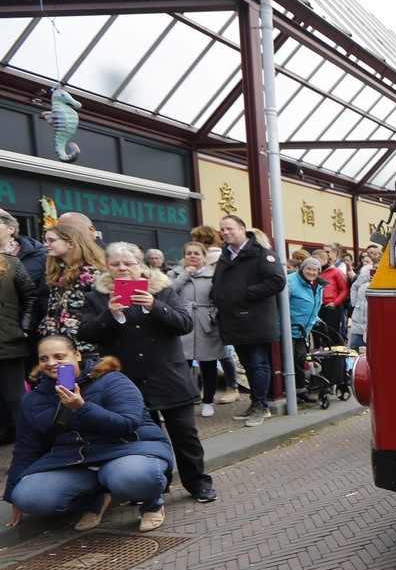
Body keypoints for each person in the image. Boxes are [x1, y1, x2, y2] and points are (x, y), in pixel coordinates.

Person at [81, 241, 217, 505]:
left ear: (140, 265)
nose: (122, 268)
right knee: (144, 438)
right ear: (107, 267)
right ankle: (155, 487)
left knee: (185, 435)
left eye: (128, 263)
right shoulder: (96, 297)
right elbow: (86, 334)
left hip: (169, 376)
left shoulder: (162, 289)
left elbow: (184, 324)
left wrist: (155, 306)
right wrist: (110, 315)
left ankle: (198, 483)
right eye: (115, 264)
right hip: (128, 381)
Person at [6, 334, 174, 532]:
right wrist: (13, 493)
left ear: (77, 355)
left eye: (59, 356)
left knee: (135, 477)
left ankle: (152, 504)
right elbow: (26, 448)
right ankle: (95, 500)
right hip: (75, 461)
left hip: (127, 449)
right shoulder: (33, 400)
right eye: (44, 358)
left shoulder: (112, 380)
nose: (51, 363)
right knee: (28, 497)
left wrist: (82, 408)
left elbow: (126, 424)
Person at [212, 213, 286, 427]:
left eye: (229, 228)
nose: (225, 232)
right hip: (233, 320)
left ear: (242, 229)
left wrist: (246, 293)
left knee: (258, 363)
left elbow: (277, 281)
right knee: (247, 365)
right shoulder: (225, 255)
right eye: (222, 229)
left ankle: (261, 406)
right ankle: (255, 403)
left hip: (256, 320)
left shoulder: (262, 254)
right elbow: (219, 283)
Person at [169, 242, 227, 418]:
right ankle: (180, 402)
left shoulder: (213, 276)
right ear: (184, 256)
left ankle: (208, 401)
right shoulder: (174, 274)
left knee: (209, 364)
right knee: (180, 366)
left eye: (197, 253)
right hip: (182, 322)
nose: (192, 256)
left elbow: (220, 298)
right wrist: (185, 276)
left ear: (204, 256)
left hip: (206, 323)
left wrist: (213, 315)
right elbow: (167, 293)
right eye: (189, 253)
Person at [38, 222, 106, 356]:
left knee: (86, 370)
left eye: (51, 240)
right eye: (45, 240)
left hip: (86, 347)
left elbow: (101, 310)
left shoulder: (94, 273)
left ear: (70, 243)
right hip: (59, 345)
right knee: (63, 370)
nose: (46, 244)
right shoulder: (57, 272)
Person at [0, 245, 39, 445]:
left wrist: (24, 327)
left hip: (7, 340)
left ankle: (30, 444)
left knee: (16, 398)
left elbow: (30, 296)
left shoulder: (11, 263)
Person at [287, 256, 324, 401]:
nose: (311, 272)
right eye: (308, 268)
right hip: (288, 329)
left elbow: (314, 305)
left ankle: (300, 391)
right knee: (288, 362)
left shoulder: (317, 284)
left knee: (300, 360)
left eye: (315, 270)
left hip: (304, 330)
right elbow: (281, 304)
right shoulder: (290, 281)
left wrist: (317, 320)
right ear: (302, 268)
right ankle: (289, 394)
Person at [313, 248, 349, 339]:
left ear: (324, 259)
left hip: (330, 306)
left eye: (316, 259)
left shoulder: (336, 271)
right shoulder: (314, 272)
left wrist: (335, 303)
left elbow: (345, 290)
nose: (314, 262)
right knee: (317, 334)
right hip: (317, 306)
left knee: (331, 335)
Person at [348, 257, 371, 353]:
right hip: (358, 319)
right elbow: (354, 287)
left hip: (372, 320)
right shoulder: (364, 274)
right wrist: (355, 303)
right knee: (355, 350)